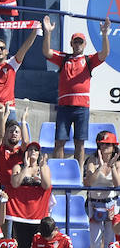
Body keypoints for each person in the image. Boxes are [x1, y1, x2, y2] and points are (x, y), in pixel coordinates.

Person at [41, 17, 111, 163]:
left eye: (80, 41)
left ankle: (78, 174)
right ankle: (58, 171)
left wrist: (104, 34)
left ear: (85, 44)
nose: (78, 44)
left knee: (80, 143)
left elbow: (104, 53)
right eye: (75, 41)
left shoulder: (88, 60)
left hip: (82, 108)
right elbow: (47, 52)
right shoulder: (63, 58)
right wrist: (47, 33)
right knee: (59, 142)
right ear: (71, 44)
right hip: (64, 107)